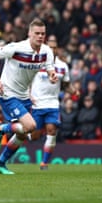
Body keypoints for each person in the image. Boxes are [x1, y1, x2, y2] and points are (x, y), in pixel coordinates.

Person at [0, 18, 57, 175]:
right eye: (37, 33)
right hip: (8, 93)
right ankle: (0, 129)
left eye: (43, 34)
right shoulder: (17, 48)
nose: (40, 36)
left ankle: (0, 163)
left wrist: (52, 75)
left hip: (24, 95)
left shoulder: (47, 52)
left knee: (23, 133)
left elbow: (49, 69)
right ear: (29, 34)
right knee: (31, 126)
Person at [18, 38, 72, 170]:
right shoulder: (38, 63)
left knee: (52, 130)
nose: (53, 50)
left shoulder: (62, 66)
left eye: (55, 47)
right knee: (34, 136)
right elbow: (26, 80)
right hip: (37, 104)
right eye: (51, 47)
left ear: (57, 49)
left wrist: (73, 90)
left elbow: (66, 85)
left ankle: (44, 163)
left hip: (53, 104)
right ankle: (12, 129)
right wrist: (28, 95)